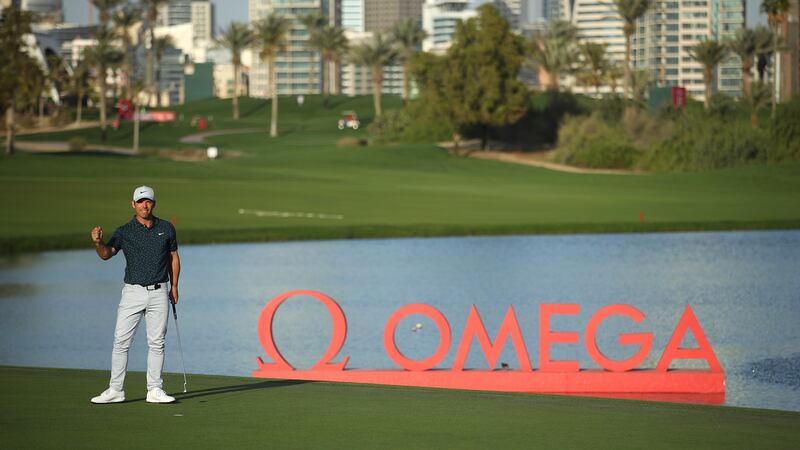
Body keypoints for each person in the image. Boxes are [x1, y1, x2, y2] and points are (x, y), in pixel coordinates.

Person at [89, 185, 181, 404]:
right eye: (140, 202)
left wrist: (175, 286)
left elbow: (173, 257)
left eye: (148, 201)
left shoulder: (166, 228)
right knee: (121, 342)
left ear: (154, 204)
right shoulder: (124, 231)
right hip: (132, 293)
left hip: (160, 291)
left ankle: (155, 390)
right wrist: (98, 242)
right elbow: (106, 255)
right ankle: (116, 390)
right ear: (133, 205)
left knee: (157, 343)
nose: (144, 205)